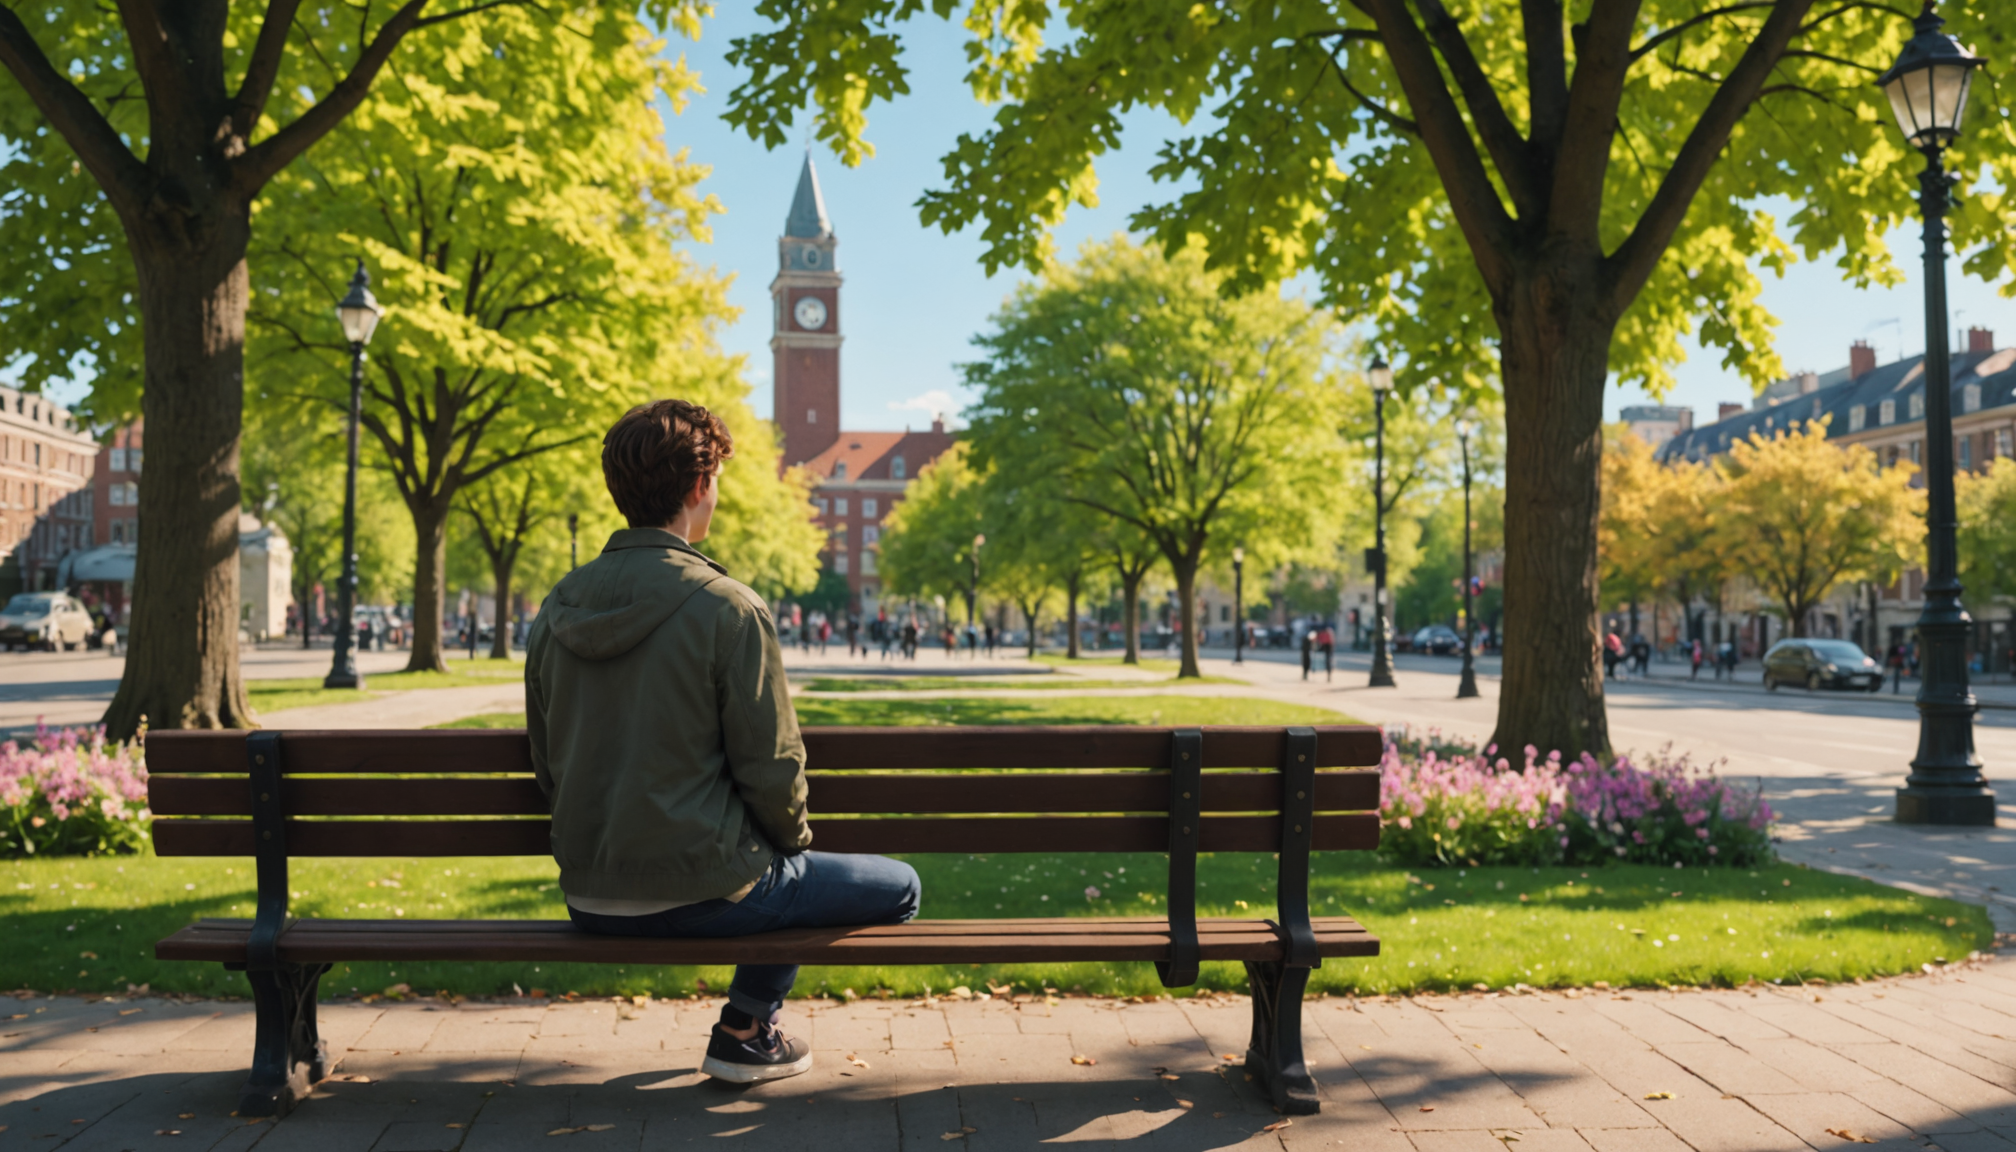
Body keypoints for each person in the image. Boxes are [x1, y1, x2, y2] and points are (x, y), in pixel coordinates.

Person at [527, 399, 921, 1085]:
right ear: (700, 487)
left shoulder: (559, 605)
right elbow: (772, 771)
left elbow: (545, 759)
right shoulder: (728, 607)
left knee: (787, 871)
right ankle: (745, 1025)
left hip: (589, 892)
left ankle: (745, 1027)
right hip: (706, 890)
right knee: (900, 885)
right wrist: (788, 843)